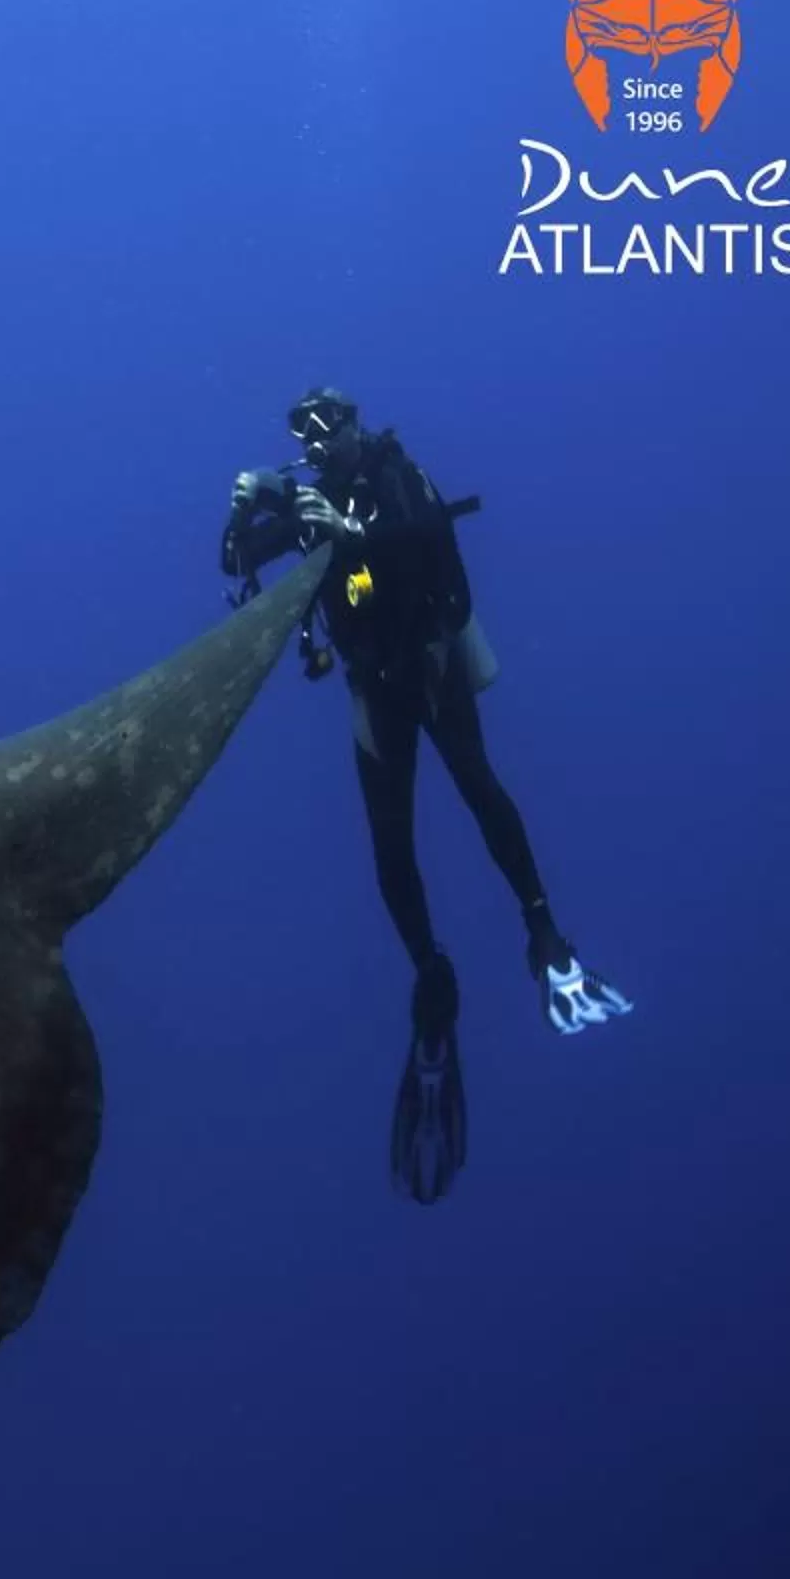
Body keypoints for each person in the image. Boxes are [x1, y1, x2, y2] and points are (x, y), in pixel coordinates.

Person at [225, 386, 632, 1207]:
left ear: (352, 425)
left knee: (481, 787)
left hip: (433, 665)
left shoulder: (394, 474)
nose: (317, 443)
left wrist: (356, 535)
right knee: (390, 843)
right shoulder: (310, 503)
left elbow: (434, 551)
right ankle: (429, 971)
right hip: (375, 686)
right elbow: (237, 566)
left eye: (327, 426)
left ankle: (544, 931)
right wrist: (244, 515)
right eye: (303, 434)